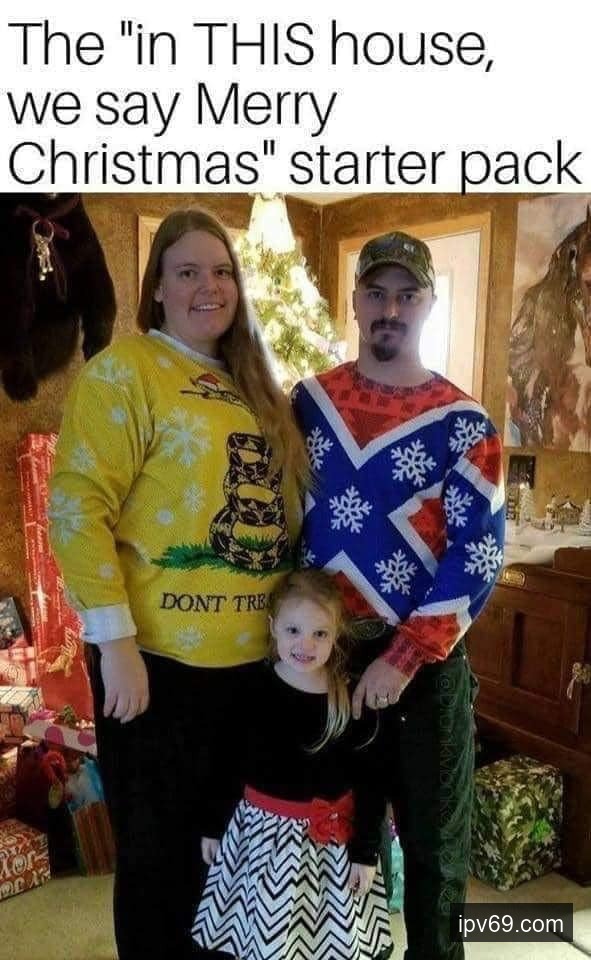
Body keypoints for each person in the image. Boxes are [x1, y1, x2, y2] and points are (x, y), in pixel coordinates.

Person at [48, 208, 307, 960]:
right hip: (158, 668)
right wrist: (115, 643)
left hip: (254, 669)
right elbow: (77, 506)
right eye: (187, 271)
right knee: (159, 863)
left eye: (221, 272)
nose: (208, 286)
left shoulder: (256, 386)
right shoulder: (124, 372)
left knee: (232, 861)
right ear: (157, 287)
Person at [292, 231, 505, 960]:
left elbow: (477, 553)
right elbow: (283, 516)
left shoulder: (464, 424)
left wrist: (405, 656)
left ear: (428, 304)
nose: (390, 309)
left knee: (433, 854)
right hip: (322, 658)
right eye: (376, 293)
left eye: (406, 295)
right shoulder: (309, 404)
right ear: (354, 301)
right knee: (332, 842)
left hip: (421, 670)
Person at [192, 569, 393, 960]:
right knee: (264, 941)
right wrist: (213, 826)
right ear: (273, 627)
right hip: (260, 843)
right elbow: (225, 764)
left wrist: (365, 852)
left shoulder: (349, 697)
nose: (306, 644)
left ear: (336, 635)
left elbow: (371, 781)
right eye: (294, 630)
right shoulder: (252, 689)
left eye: (320, 633)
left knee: (327, 944)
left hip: (329, 850)